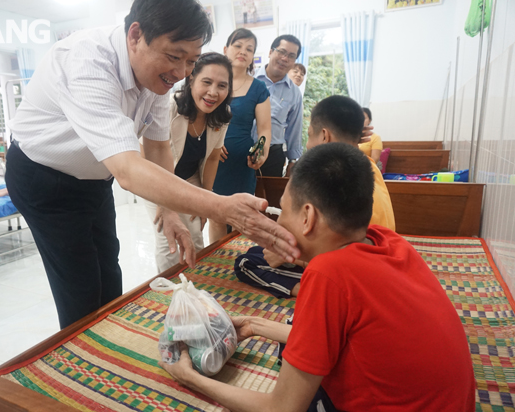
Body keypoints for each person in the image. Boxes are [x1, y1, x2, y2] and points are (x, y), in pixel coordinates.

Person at [5, 0, 298, 329]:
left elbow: (158, 148)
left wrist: (168, 210)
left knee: (108, 270)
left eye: (191, 61)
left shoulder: (156, 77)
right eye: (174, 57)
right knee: (80, 282)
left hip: (93, 179)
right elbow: (129, 170)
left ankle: (107, 339)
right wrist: (223, 209)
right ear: (135, 35)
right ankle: (83, 364)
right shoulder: (86, 62)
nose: (181, 72)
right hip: (43, 178)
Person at [160, 142, 476, 412]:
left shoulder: (328, 274)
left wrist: (189, 377)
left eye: (283, 209)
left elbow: (282, 408)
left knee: (294, 368)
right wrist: (256, 325)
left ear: (308, 217)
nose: (279, 220)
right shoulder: (388, 241)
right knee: (296, 345)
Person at [235, 96, 395, 297]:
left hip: (357, 275)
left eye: (309, 136)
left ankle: (315, 291)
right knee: (263, 253)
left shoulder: (334, 180)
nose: (308, 145)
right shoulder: (366, 167)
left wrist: (290, 258)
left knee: (246, 262)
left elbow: (338, 254)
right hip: (379, 259)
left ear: (325, 136)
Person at [146, 52, 233, 272]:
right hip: (156, 178)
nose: (213, 92)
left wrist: (206, 199)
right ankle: (168, 292)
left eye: (222, 85)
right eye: (207, 82)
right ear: (191, 78)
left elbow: (213, 157)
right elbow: (147, 154)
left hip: (191, 178)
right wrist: (165, 205)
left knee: (194, 235)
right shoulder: (169, 108)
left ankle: (195, 289)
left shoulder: (222, 115)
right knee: (170, 240)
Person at [209, 28, 272, 243]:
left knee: (245, 217)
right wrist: (212, 146)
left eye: (249, 49)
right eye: (238, 46)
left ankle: (241, 264)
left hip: (243, 164)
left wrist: (261, 152)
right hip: (213, 163)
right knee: (216, 217)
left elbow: (264, 129)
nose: (242, 51)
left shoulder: (259, 88)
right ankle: (215, 264)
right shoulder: (212, 81)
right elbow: (198, 119)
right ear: (226, 49)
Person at [253, 35, 304, 178]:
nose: (285, 58)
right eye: (281, 52)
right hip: (239, 150)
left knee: (267, 198)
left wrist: (293, 161)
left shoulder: (294, 93)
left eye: (291, 56)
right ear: (270, 52)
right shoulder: (248, 79)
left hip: (272, 157)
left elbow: (295, 129)